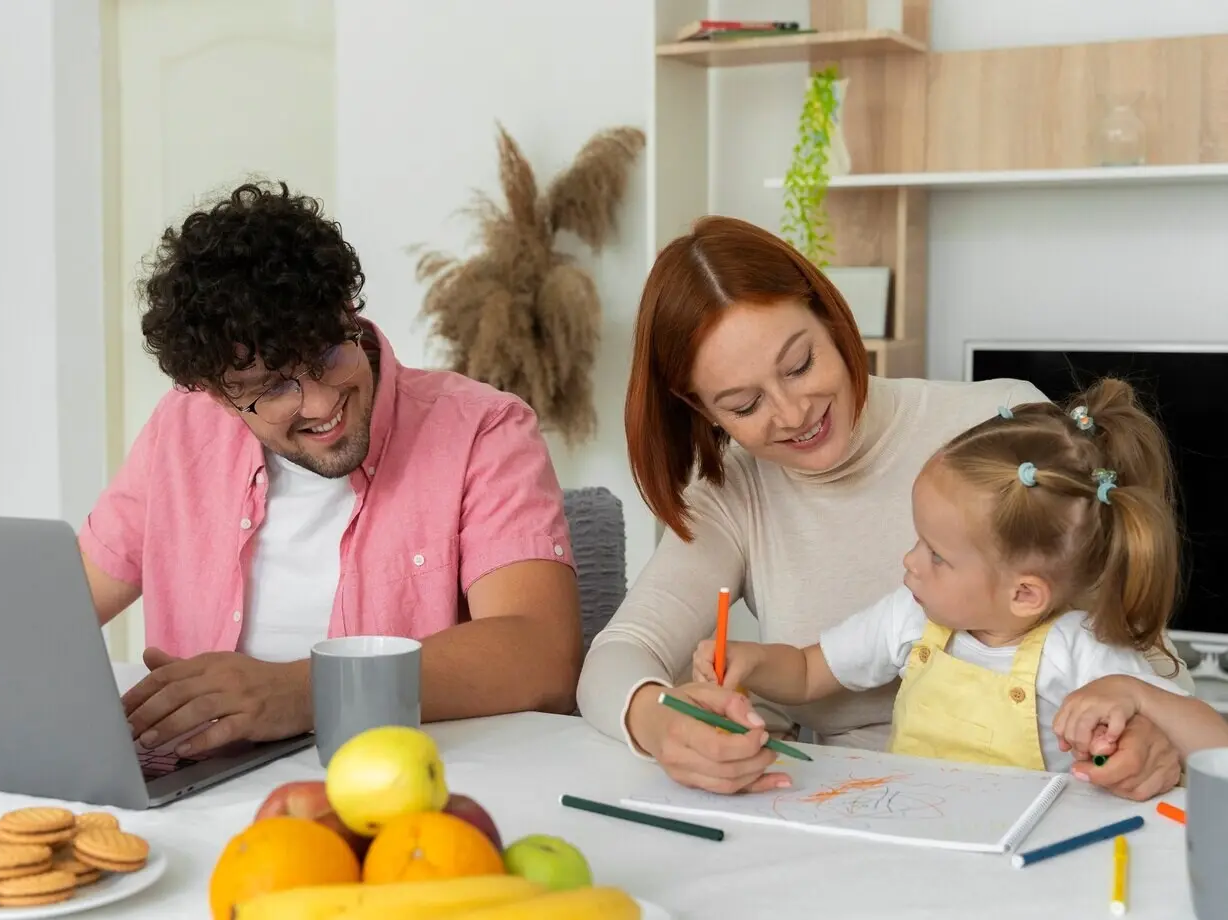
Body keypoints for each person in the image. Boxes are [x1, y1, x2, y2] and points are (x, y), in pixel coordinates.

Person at [575, 215, 1191, 802]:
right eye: (742, 404)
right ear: (701, 409)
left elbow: (1138, 656)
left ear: (833, 318)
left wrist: (1146, 737)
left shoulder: (998, 430)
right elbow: (617, 655)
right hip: (847, 805)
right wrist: (660, 722)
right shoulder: (735, 492)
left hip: (1043, 803)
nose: (792, 414)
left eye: (800, 364)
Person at [80, 181, 583, 757]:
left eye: (326, 356)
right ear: (217, 396)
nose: (320, 405)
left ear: (348, 310)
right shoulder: (182, 428)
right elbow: (58, 609)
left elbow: (542, 656)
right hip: (199, 785)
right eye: (271, 389)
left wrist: (306, 692)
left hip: (405, 790)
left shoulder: (481, 430)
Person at [691, 379, 1228, 778]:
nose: (909, 561)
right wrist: (754, 662)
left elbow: (1217, 745)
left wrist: (1134, 693)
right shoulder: (910, 616)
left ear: (1024, 594)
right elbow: (809, 672)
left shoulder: (1079, 650)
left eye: (936, 555)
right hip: (911, 834)